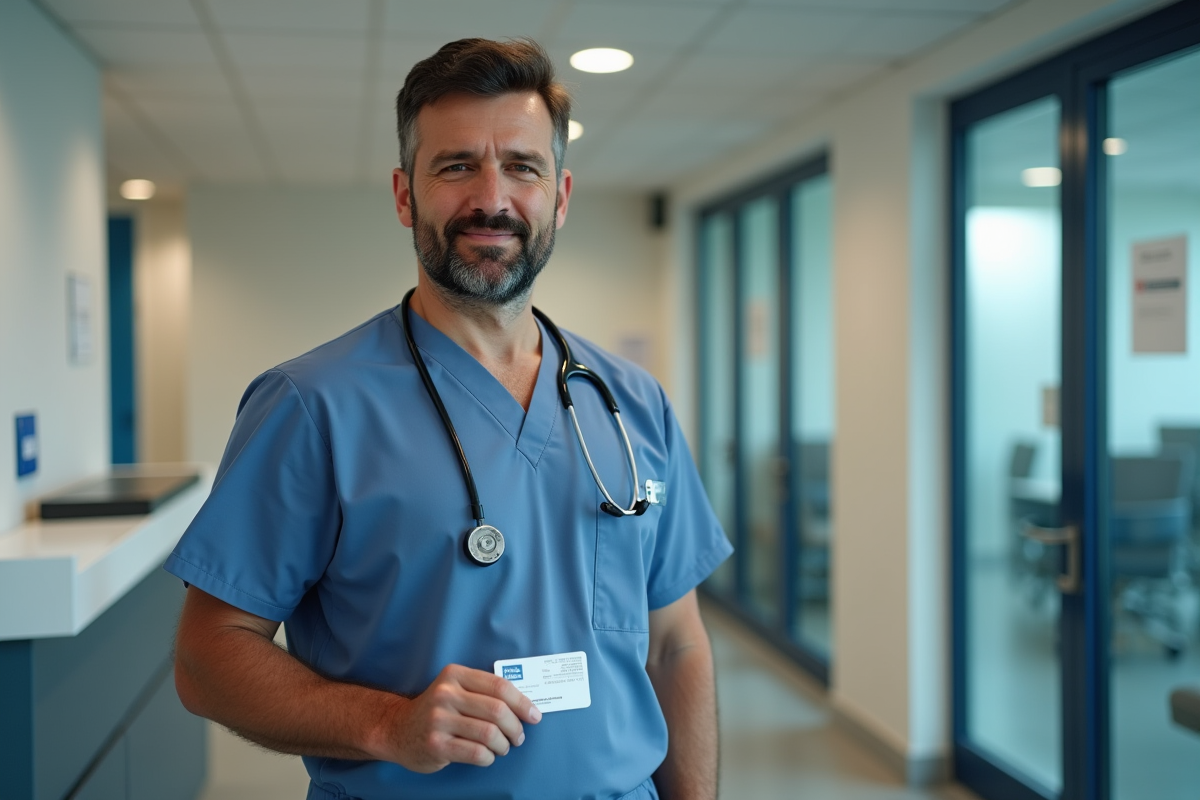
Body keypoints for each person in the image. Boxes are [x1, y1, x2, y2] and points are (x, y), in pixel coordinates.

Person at [167, 38, 732, 800]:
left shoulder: (631, 402)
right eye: (457, 165)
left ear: (560, 196)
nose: (491, 199)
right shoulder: (313, 405)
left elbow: (676, 646)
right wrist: (386, 725)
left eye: (522, 167)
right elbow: (209, 655)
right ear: (405, 195)